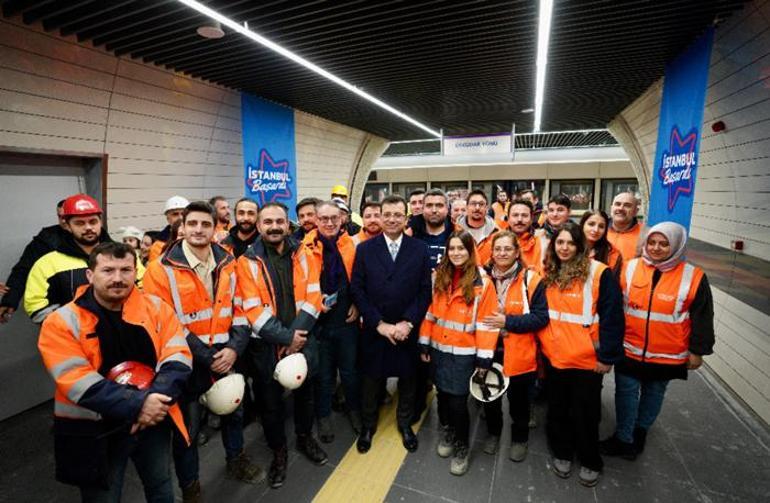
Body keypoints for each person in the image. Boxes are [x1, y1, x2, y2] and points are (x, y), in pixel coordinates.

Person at [37, 242, 192, 502]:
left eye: (126, 270)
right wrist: (139, 405)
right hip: (96, 429)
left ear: (135, 272)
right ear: (90, 275)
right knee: (103, 497)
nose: (118, 278)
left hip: (152, 422)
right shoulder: (62, 321)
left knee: (161, 486)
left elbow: (178, 358)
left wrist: (152, 404)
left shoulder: (157, 308)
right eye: (108, 270)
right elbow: (77, 380)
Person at [143, 201, 262, 501]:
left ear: (214, 228)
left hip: (226, 355)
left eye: (205, 224)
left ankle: (236, 460)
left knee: (234, 413)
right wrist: (207, 357)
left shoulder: (228, 262)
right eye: (192, 224)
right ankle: (191, 487)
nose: (198, 230)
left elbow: (240, 308)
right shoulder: (160, 270)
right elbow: (164, 319)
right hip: (184, 362)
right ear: (182, 227)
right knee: (188, 432)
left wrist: (234, 348)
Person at [600, 222, 714, 460]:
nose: (656, 248)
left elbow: (702, 316)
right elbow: (612, 306)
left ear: (677, 246)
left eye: (664, 244)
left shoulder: (693, 276)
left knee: (654, 393)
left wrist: (697, 350)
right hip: (629, 347)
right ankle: (624, 437)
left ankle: (640, 431)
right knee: (626, 393)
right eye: (652, 242)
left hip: (668, 352)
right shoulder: (629, 268)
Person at [235, 203, 327, 489]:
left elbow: (314, 296)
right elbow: (252, 310)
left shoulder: (305, 254)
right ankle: (279, 452)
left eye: (279, 221)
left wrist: (297, 337)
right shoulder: (246, 262)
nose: (274, 226)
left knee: (305, 395)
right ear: (260, 226)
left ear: (288, 225)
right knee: (270, 404)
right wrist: (287, 339)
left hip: (304, 338)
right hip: (266, 346)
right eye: (268, 222)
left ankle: (304, 438)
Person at [537, 222, 624, 487]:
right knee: (558, 409)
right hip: (555, 357)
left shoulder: (599, 273)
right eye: (559, 243)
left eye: (570, 243)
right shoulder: (549, 273)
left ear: (580, 246)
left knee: (586, 412)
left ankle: (589, 459)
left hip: (587, 359)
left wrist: (606, 357)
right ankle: (562, 452)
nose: (564, 248)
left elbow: (612, 317)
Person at [350, 195, 432, 455]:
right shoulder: (364, 249)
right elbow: (358, 290)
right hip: (377, 329)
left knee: (408, 380)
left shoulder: (419, 249)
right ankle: (367, 426)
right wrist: (379, 324)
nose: (392, 219)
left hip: (407, 328)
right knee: (371, 381)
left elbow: (424, 292)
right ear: (379, 216)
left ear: (406, 218)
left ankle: (405, 424)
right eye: (387, 214)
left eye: (398, 215)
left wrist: (408, 322)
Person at [418, 231, 498, 475]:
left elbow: (486, 323)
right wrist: (424, 342)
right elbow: (430, 313)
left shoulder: (482, 283)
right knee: (442, 396)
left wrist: (484, 358)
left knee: (458, 403)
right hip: (439, 350)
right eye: (451, 249)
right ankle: (448, 432)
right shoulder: (439, 277)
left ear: (470, 251)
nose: (456, 253)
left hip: (464, 354)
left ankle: (462, 446)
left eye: (461, 248)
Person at [479, 231, 549, 461]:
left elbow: (541, 318)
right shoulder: (481, 277)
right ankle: (493, 433)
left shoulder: (531, 280)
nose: (502, 253)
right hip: (488, 350)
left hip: (520, 352)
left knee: (520, 402)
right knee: (490, 397)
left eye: (508, 249)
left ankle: (519, 439)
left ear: (517, 252)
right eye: (498, 249)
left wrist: (507, 321)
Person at [301, 201, 362, 443]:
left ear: (342, 220)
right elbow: (301, 285)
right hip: (319, 321)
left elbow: (359, 279)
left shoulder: (352, 245)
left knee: (350, 371)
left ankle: (354, 410)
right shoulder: (303, 248)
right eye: (324, 218)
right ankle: (323, 416)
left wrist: (357, 304)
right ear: (316, 220)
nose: (329, 223)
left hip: (346, 319)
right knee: (324, 375)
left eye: (334, 218)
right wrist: (317, 301)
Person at [24, 194, 124, 324]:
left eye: (93, 221)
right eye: (80, 223)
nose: (88, 227)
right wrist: (75, 325)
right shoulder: (47, 264)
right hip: (73, 341)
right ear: (67, 226)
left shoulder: (123, 255)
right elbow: (36, 307)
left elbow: (142, 288)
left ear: (101, 222)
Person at [404, 188, 454, 423]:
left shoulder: (457, 236)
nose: (434, 209)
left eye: (439, 205)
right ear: (422, 209)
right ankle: (417, 402)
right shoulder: (411, 236)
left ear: (447, 209)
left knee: (444, 362)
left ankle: (446, 410)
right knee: (417, 361)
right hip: (419, 309)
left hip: (449, 311)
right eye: (429, 205)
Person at [0, 199, 75, 323]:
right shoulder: (47, 238)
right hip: (58, 306)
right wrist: (9, 301)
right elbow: (23, 270)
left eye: (66, 216)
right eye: (59, 216)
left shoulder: (95, 236)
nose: (63, 220)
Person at [456, 190, 498, 265]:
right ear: (466, 207)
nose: (477, 208)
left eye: (481, 204)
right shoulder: (454, 230)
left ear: (486, 208)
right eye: (473, 204)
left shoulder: (497, 232)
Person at [507, 199, 547, 272]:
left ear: (531, 218)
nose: (519, 219)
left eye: (524, 215)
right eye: (515, 215)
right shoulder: (496, 242)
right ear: (508, 218)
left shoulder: (543, 243)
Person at [580, 209, 622, 276]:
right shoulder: (570, 246)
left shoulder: (612, 254)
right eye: (591, 224)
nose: (596, 230)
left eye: (601, 226)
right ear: (582, 225)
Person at [147, 195, 189, 263]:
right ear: (168, 219)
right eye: (175, 214)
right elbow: (155, 272)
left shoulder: (197, 239)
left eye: (183, 214)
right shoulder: (158, 246)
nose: (180, 217)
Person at [607, 192, 644, 262]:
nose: (621, 208)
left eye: (627, 205)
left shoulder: (645, 234)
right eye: (617, 204)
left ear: (636, 211)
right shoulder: (599, 230)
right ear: (611, 208)